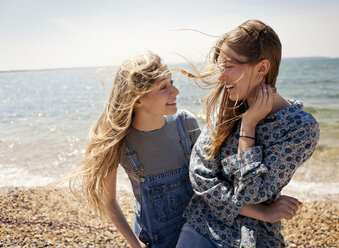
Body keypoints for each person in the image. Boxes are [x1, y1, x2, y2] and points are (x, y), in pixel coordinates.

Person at [67, 52, 303, 248]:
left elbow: (212, 184)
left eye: (172, 82)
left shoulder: (185, 124)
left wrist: (263, 210)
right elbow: (109, 200)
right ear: (137, 99)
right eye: (164, 87)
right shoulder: (119, 142)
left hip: (202, 231)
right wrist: (135, 246)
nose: (175, 92)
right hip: (158, 241)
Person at [176, 20, 320, 248]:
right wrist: (262, 212)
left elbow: (250, 193)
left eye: (229, 66)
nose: (221, 77)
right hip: (203, 228)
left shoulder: (300, 128)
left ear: (262, 68)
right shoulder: (226, 107)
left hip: (254, 239)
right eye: (220, 67)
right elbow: (200, 177)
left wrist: (248, 127)